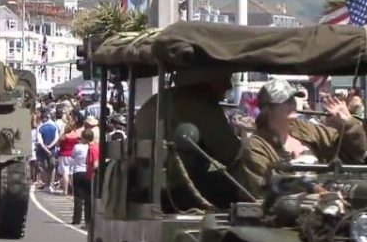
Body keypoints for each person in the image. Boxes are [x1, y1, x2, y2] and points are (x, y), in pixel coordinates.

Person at [234, 79, 367, 199]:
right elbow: (263, 191)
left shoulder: (307, 130)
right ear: (269, 108)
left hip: (327, 205)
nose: (293, 103)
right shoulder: (256, 146)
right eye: (286, 100)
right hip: (286, 216)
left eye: (293, 98)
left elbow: (357, 152)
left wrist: (347, 123)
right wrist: (309, 187)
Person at [134, 71, 241, 210]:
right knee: (228, 184)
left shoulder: (159, 100)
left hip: (145, 188)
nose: (229, 85)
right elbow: (230, 153)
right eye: (224, 77)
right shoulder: (200, 103)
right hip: (173, 192)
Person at [71, 129, 94, 226]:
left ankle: (77, 219)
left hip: (78, 171)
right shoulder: (92, 147)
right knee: (88, 197)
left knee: (78, 197)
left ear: (83, 137)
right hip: (88, 172)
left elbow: (73, 156)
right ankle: (88, 219)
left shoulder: (77, 147)